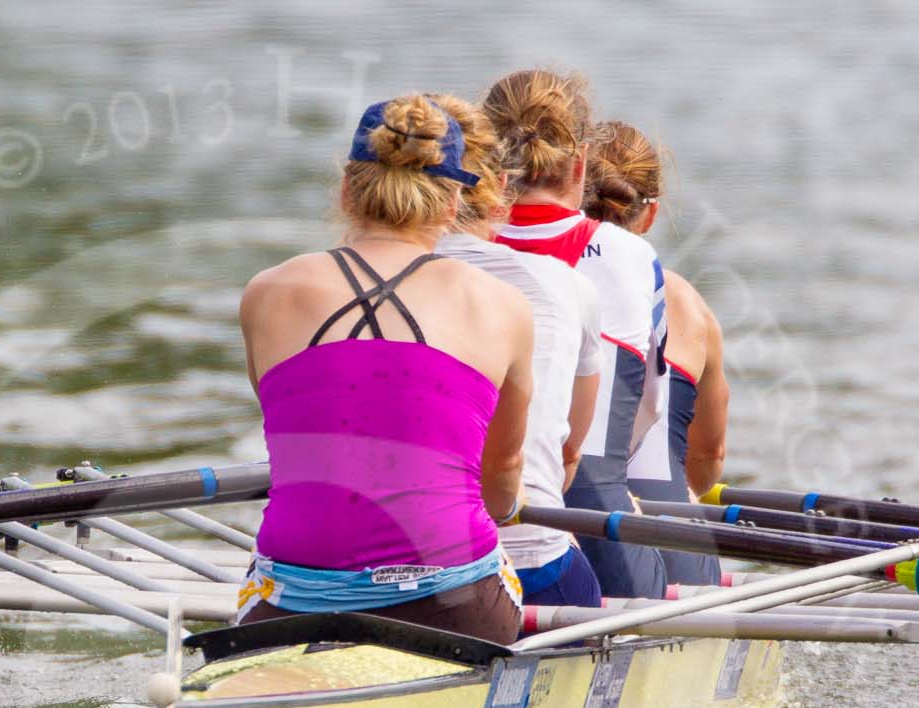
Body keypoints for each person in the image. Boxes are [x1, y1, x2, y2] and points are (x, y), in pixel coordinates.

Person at [235, 95, 534, 644]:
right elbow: (502, 472)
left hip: (297, 596)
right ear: (452, 205)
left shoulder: (266, 292)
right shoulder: (502, 305)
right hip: (453, 602)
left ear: (348, 192)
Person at [484, 69, 668, 600]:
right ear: (581, 163)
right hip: (593, 524)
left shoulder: (455, 247)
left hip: (460, 525)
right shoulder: (632, 254)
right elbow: (648, 412)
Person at [428, 93, 606, 609]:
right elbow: (569, 453)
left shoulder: (363, 282)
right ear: (501, 188)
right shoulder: (564, 284)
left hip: (392, 560)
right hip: (529, 557)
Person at [587, 121, 728, 585]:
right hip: (676, 554)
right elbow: (706, 466)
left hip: (567, 530)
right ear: (648, 216)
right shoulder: (688, 303)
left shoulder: (532, 283)